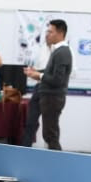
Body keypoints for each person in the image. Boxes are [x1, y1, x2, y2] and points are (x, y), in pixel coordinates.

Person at [22, 19, 72, 150]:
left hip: (52, 97)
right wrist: (36, 72)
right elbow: (52, 72)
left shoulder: (62, 52)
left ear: (60, 33)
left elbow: (57, 79)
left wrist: (38, 75)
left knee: (50, 135)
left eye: (50, 32)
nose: (47, 34)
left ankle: (57, 160)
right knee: (48, 133)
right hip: (48, 95)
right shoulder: (58, 51)